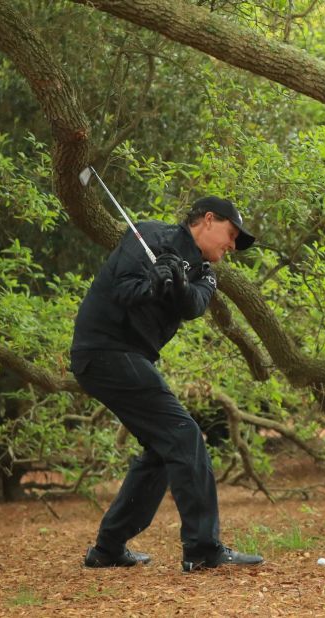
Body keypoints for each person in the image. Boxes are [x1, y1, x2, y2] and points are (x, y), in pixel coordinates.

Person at [70, 196, 263, 571]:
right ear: (208, 220)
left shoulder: (206, 272)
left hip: (129, 357)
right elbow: (124, 288)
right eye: (231, 233)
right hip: (104, 350)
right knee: (183, 434)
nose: (233, 245)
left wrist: (173, 282)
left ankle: (108, 548)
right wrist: (153, 285)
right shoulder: (148, 235)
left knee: (164, 448)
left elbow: (193, 305)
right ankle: (204, 549)